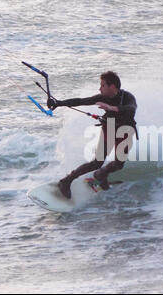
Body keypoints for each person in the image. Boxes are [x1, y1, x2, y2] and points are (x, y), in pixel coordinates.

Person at [47, 71, 138, 199]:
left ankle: (101, 175)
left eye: (102, 85)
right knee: (97, 162)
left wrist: (111, 108)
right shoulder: (102, 97)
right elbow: (81, 101)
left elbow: (131, 109)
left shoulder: (128, 97)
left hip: (125, 131)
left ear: (112, 87)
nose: (99, 88)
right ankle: (66, 181)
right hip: (110, 127)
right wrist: (59, 103)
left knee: (119, 164)